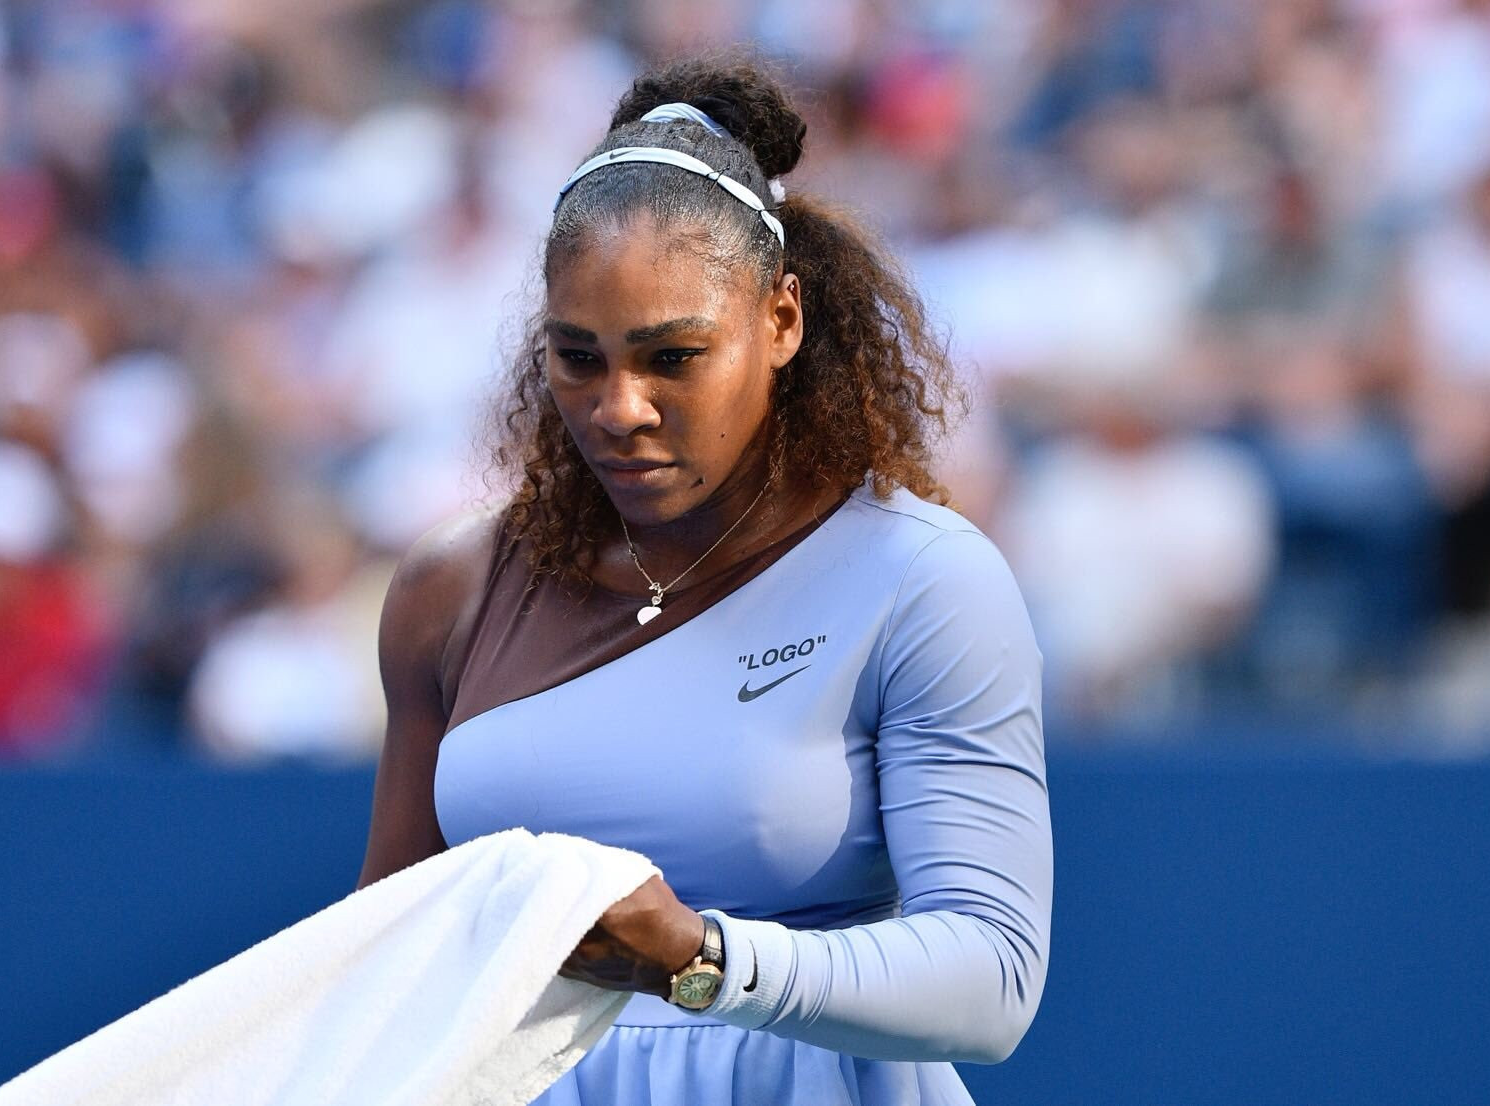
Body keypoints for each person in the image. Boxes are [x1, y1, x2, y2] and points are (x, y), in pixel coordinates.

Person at [356, 55, 1052, 1105]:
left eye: (672, 357)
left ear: (781, 321)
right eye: (578, 357)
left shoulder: (924, 579)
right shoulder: (447, 588)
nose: (618, 408)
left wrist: (703, 958)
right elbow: (390, 959)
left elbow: (992, 979)